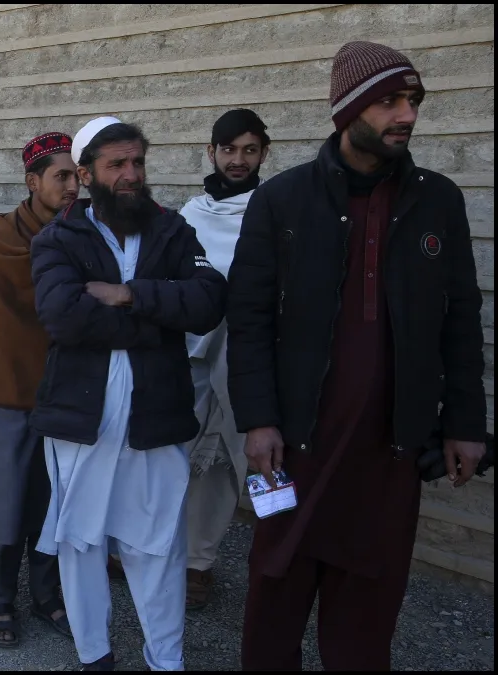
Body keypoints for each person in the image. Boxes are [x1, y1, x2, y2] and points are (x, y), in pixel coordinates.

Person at [228, 42, 487, 670]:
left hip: (390, 447)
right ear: (347, 110)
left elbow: (460, 321)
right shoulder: (282, 201)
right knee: (276, 590)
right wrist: (258, 419)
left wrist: (465, 424)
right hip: (296, 440)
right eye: (390, 101)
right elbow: (250, 319)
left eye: (414, 102)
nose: (408, 116)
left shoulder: (438, 200)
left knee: (369, 612)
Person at [31, 117, 227, 672]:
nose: (130, 175)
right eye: (116, 165)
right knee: (82, 542)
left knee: (158, 544)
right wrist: (159, 316)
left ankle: (166, 659)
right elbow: (63, 317)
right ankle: (94, 654)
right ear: (87, 173)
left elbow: (209, 300)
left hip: (156, 417)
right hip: (80, 419)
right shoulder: (59, 238)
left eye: (137, 162)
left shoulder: (172, 231)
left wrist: (126, 294)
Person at [0, 132, 77, 648]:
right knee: (6, 501)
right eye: (61, 176)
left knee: (56, 502)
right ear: (32, 182)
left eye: (77, 174)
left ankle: (47, 594)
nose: (72, 185)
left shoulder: (86, 230)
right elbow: (56, 304)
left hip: (68, 394)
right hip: (13, 391)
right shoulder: (4, 239)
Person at [176, 108, 271, 610]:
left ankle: (259, 561)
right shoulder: (188, 214)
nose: (238, 160)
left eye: (249, 150)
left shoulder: (273, 212)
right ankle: (169, 557)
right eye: (229, 149)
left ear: (263, 154)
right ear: (211, 152)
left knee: (245, 462)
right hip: (190, 355)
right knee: (181, 457)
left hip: (245, 357)